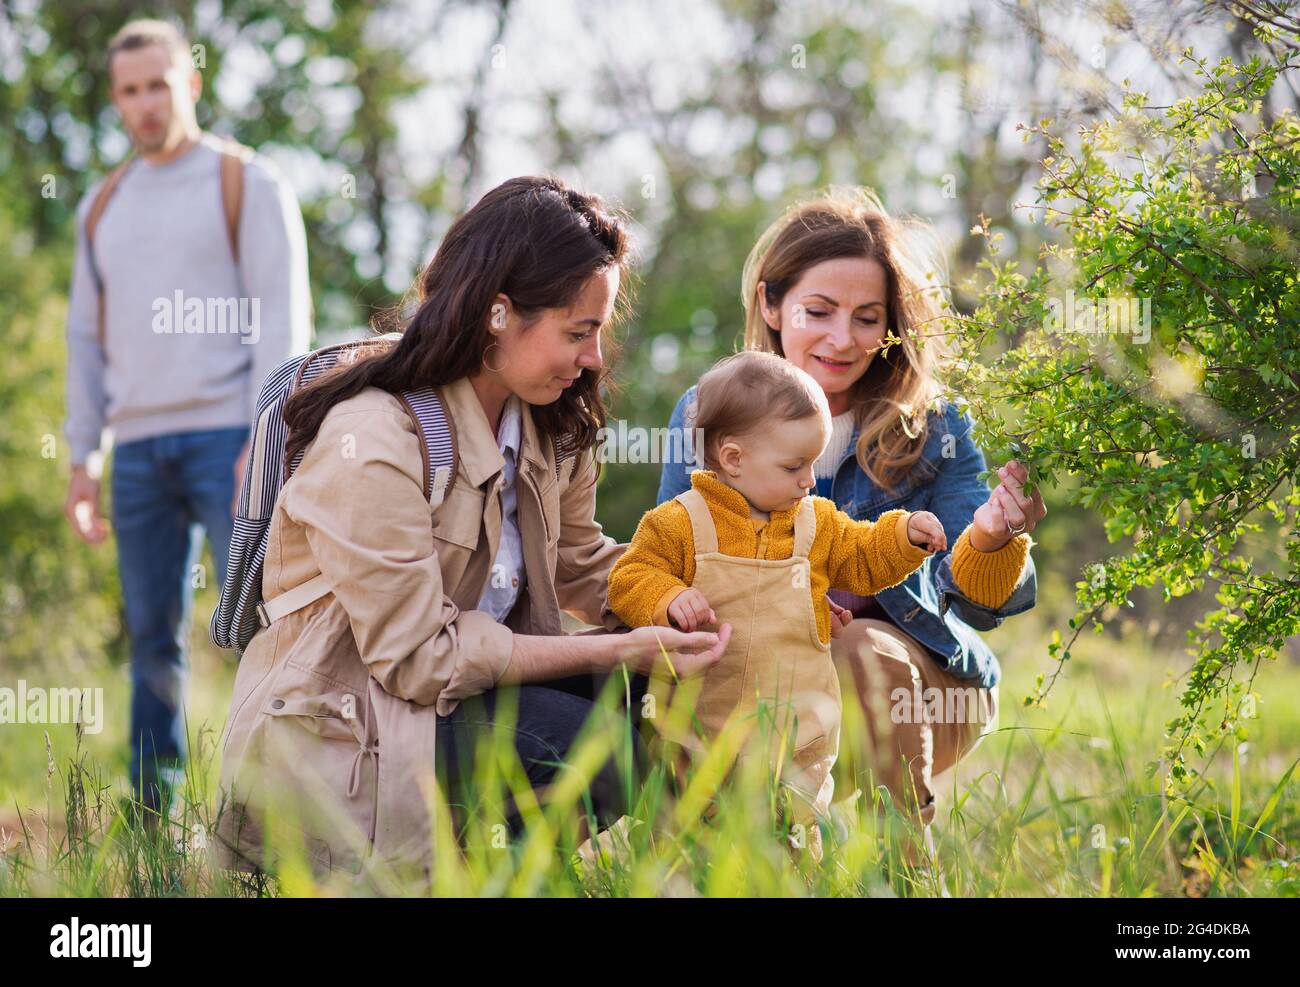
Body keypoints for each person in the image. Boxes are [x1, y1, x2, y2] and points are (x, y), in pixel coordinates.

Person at [214, 176, 730, 879]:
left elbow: (582, 561)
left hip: (454, 702)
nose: (596, 358)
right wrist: (616, 650)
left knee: (645, 693)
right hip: (356, 724)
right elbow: (420, 659)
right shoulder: (373, 435)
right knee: (595, 744)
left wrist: (703, 595)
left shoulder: (549, 422)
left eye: (599, 331)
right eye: (578, 332)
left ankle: (501, 875)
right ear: (497, 313)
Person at [657, 188, 1047, 842]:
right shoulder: (705, 415)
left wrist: (993, 537)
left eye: (868, 318)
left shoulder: (935, 425)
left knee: (857, 643)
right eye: (819, 311)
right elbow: (672, 570)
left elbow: (975, 598)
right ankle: (747, 863)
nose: (843, 339)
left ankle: (905, 865)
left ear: (892, 325)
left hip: (920, 692)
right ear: (771, 305)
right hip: (762, 683)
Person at [61, 18, 311, 818]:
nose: (143, 104)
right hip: (134, 449)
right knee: (151, 637)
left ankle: (282, 809)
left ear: (190, 83)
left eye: (157, 84)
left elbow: (283, 319)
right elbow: (85, 341)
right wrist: (82, 458)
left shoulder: (248, 182)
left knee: (270, 621)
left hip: (228, 440)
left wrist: (260, 436)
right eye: (128, 91)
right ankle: (154, 818)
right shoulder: (100, 208)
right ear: (115, 100)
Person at [608, 350, 954, 861]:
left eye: (814, 463)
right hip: (699, 727)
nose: (809, 479)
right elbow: (628, 577)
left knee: (792, 842)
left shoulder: (816, 522)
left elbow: (862, 558)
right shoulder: (677, 523)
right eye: (795, 466)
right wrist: (667, 597)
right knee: (685, 843)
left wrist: (902, 536)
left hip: (797, 737)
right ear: (732, 459)